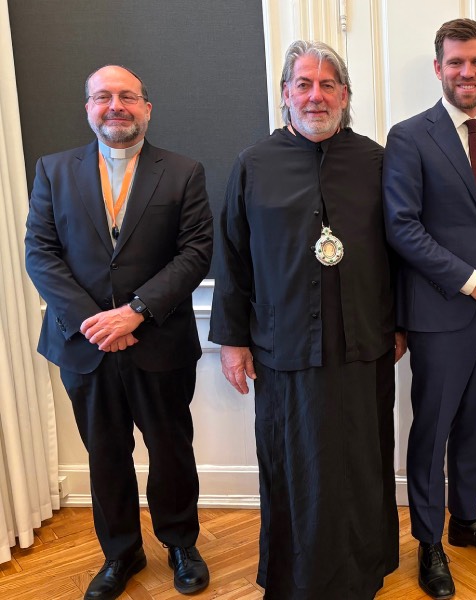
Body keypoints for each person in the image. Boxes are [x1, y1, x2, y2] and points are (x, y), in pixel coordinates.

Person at [209, 41, 403, 599]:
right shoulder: (253, 164)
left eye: (327, 85)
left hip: (362, 342)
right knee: (293, 462)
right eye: (304, 84)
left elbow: (400, 251)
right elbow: (233, 257)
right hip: (284, 343)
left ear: (345, 95)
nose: (315, 96)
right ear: (286, 94)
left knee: (362, 461)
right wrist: (231, 342)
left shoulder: (376, 162)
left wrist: (400, 324)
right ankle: (296, 578)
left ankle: (362, 573)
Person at [24, 65, 212, 600]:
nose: (115, 106)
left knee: (171, 450)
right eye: (103, 96)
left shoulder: (183, 172)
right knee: (105, 454)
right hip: (84, 344)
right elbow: (40, 252)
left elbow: (196, 252)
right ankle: (121, 553)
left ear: (146, 107)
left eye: (127, 96)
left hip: (160, 340)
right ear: (88, 107)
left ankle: (181, 544)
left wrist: (135, 312)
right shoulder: (53, 170)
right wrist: (97, 322)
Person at [383, 17, 476, 600]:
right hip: (441, 313)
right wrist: (472, 282)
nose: (466, 72)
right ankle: (429, 542)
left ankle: (465, 522)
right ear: (438, 68)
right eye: (455, 62)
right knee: (433, 431)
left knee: (475, 425)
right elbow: (402, 227)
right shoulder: (409, 137)